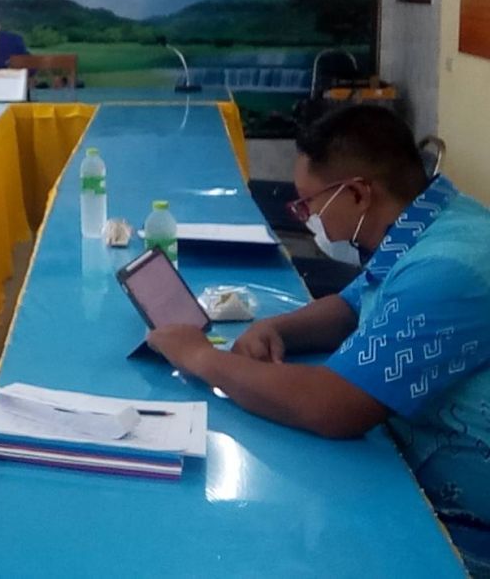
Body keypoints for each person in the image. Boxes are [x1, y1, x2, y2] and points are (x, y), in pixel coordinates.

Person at [146, 105, 490, 558]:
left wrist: (201, 357)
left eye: (309, 203)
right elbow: (353, 305)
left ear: (358, 194)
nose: (306, 216)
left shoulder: (446, 268)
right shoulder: (434, 220)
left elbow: (334, 407)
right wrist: (276, 328)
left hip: (463, 531)